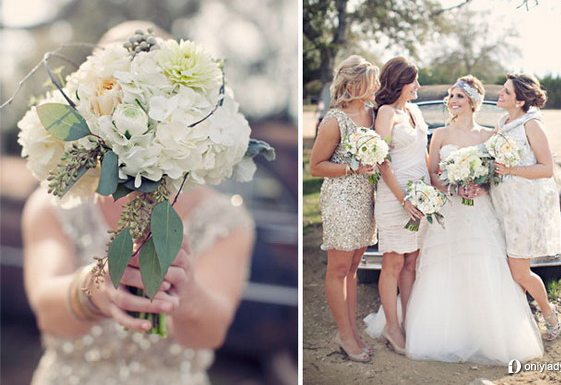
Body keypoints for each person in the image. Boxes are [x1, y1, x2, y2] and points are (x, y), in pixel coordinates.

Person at [22, 22, 255, 385]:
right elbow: (47, 314)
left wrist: (186, 291)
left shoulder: (226, 220)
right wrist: (90, 290)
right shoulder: (54, 204)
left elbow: (211, 333)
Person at [404, 75, 544, 364]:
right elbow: (432, 172)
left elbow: (495, 173)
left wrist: (480, 186)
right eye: (451, 95)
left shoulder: (488, 136)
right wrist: (451, 185)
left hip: (479, 211)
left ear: (473, 103)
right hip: (449, 211)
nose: (452, 101)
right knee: (444, 267)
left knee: (481, 264)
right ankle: (446, 333)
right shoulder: (440, 134)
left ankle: (486, 334)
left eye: (459, 96)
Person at [309, 55, 379, 363]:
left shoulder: (373, 113)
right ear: (354, 84)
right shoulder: (334, 120)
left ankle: (351, 329)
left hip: (366, 198)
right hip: (340, 197)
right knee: (338, 269)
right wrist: (353, 167)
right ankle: (344, 334)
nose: (376, 86)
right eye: (372, 80)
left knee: (354, 268)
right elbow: (315, 166)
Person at [491, 73, 561, 341]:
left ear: (520, 100)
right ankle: (516, 327)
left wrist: (512, 169)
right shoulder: (503, 122)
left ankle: (548, 312)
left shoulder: (532, 124)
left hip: (523, 206)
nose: (500, 93)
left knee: (520, 271)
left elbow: (547, 168)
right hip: (501, 204)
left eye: (506, 92)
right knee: (509, 271)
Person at [366, 57, 429, 355]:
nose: (418, 86)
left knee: (411, 262)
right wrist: (403, 199)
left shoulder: (415, 110)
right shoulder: (386, 113)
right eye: (413, 80)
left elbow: (424, 154)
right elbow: (383, 160)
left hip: (421, 198)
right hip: (395, 199)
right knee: (392, 262)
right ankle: (392, 327)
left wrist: (432, 191)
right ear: (399, 82)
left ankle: (410, 321)